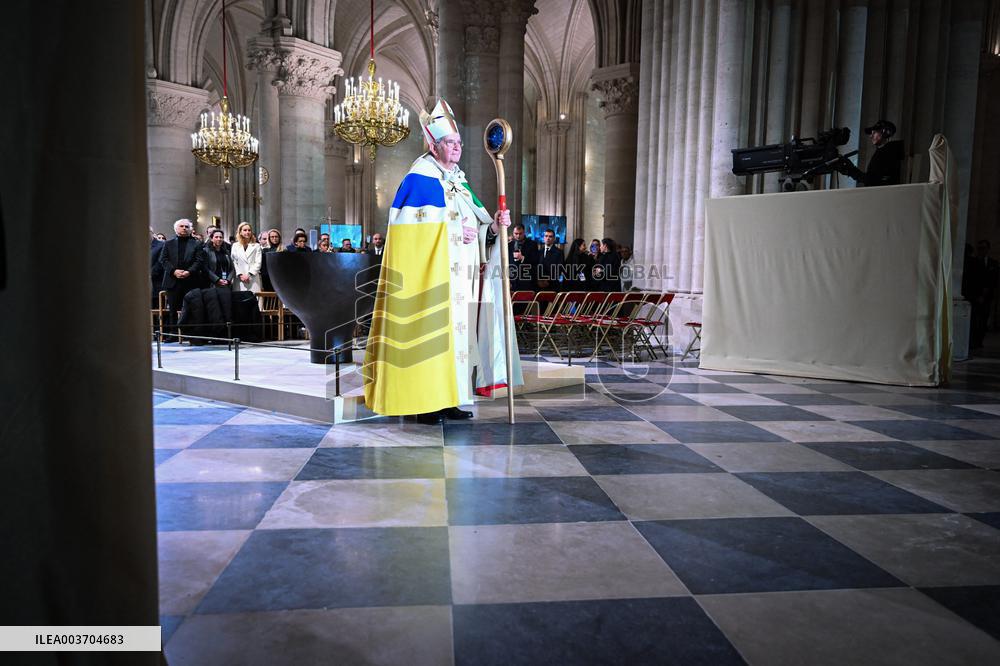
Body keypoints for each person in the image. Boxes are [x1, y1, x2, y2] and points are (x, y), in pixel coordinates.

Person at [364, 98, 521, 425]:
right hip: (431, 279)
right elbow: (409, 231)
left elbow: (477, 228)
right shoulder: (419, 178)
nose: (457, 147)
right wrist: (454, 230)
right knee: (431, 336)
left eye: (459, 142)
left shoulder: (459, 182)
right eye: (450, 142)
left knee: (458, 341)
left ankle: (451, 398)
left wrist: (494, 226)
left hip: (462, 279)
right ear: (433, 145)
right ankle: (424, 403)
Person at [158, 218, 203, 335]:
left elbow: (199, 261)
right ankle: (173, 333)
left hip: (190, 280)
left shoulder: (197, 243)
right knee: (173, 309)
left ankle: (189, 333)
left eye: (187, 226)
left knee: (192, 308)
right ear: (176, 229)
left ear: (190, 229)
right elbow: (163, 260)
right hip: (172, 280)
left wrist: (189, 271)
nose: (184, 228)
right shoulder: (168, 243)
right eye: (181, 226)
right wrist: (174, 271)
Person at [837, 119, 904, 187]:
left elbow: (872, 180)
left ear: (885, 132)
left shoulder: (888, 152)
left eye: (874, 133)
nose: (871, 136)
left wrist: (850, 170)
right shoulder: (885, 151)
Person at [968, 239, 1000, 350]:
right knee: (973, 319)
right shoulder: (972, 262)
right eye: (979, 248)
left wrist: (987, 295)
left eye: (983, 248)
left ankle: (979, 341)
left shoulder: (993, 263)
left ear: (988, 249)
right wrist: (976, 295)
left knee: (983, 319)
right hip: (974, 296)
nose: (981, 250)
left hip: (987, 297)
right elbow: (970, 280)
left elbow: (994, 280)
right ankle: (972, 341)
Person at [231, 222, 262, 293]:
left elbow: (258, 262)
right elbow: (234, 262)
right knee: (240, 298)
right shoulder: (235, 246)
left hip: (252, 277)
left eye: (249, 230)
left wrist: (249, 275)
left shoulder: (256, 245)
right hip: (239, 278)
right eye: (245, 230)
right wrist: (240, 275)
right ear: (240, 232)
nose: (247, 232)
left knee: (254, 298)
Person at [508, 223, 537, 292]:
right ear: (513, 233)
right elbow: (506, 263)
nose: (518, 236)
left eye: (520, 234)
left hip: (526, 280)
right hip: (512, 280)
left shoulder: (532, 244)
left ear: (524, 233)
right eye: (516, 233)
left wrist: (523, 258)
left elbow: (536, 261)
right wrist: (507, 280)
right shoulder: (509, 245)